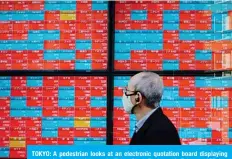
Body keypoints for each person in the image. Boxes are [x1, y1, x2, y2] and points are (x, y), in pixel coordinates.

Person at [122, 72, 181, 145]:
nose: (124, 95)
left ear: (138, 97)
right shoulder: (150, 124)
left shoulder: (160, 133)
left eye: (127, 91)